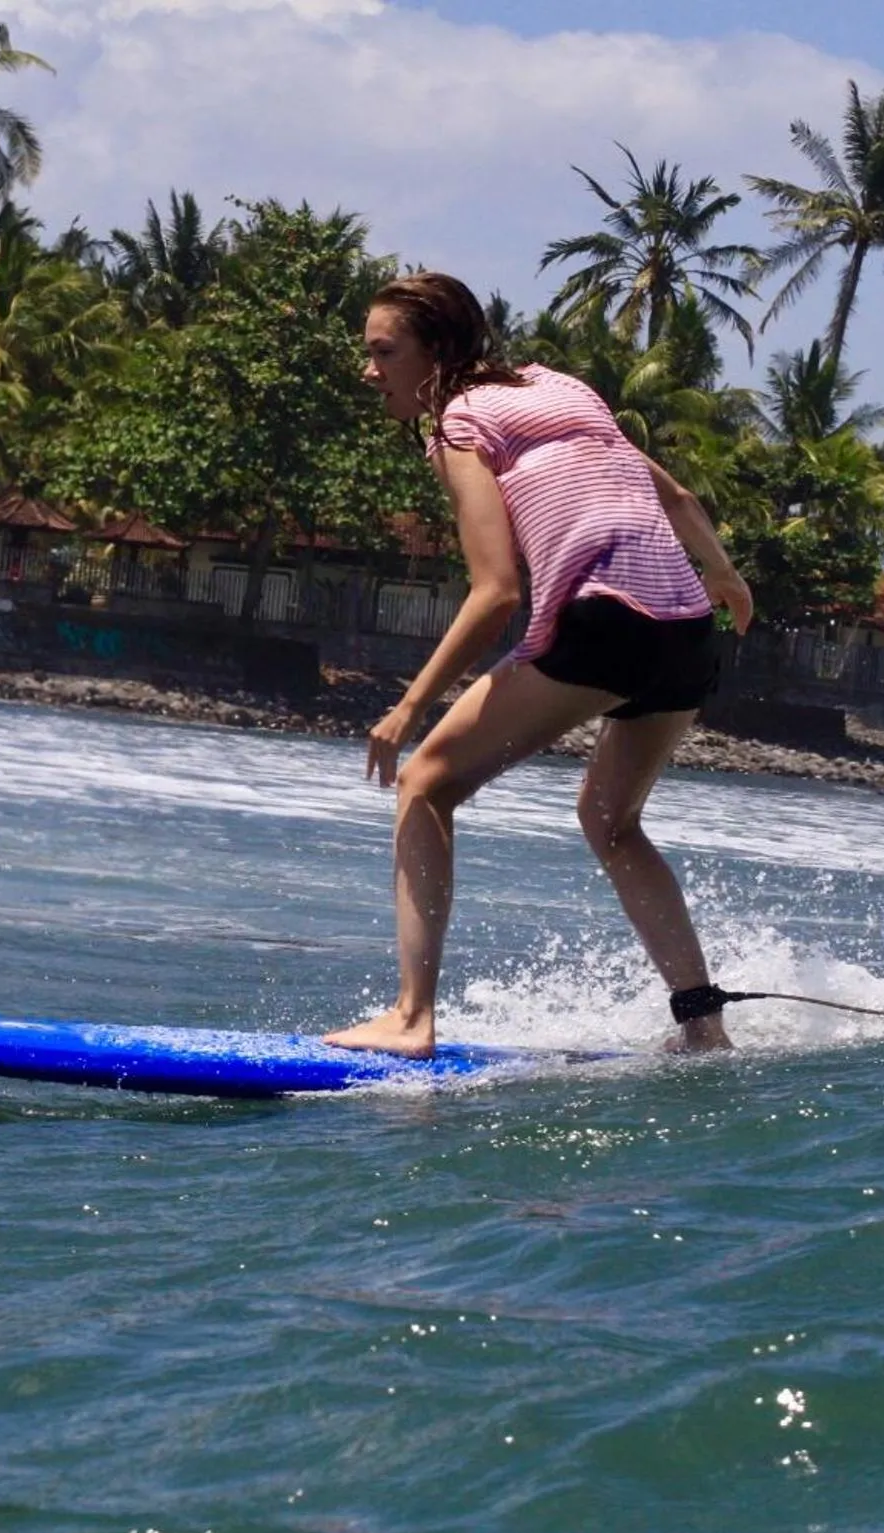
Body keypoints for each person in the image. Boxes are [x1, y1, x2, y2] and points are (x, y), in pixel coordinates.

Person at [324, 271, 754, 1057]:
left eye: (385, 352)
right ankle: (702, 1025)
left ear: (438, 352)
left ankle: (411, 1018)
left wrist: (407, 709)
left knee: (425, 784)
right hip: (688, 630)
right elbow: (680, 496)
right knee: (611, 822)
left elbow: (495, 592)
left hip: (607, 622)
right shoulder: (562, 388)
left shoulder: (457, 425)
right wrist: (723, 575)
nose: (369, 371)